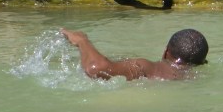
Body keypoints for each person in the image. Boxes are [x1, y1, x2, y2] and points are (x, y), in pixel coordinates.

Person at [60, 28, 208, 81]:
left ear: (165, 52)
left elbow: (96, 69)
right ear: (203, 63)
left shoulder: (147, 68)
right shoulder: (194, 78)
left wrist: (82, 41)